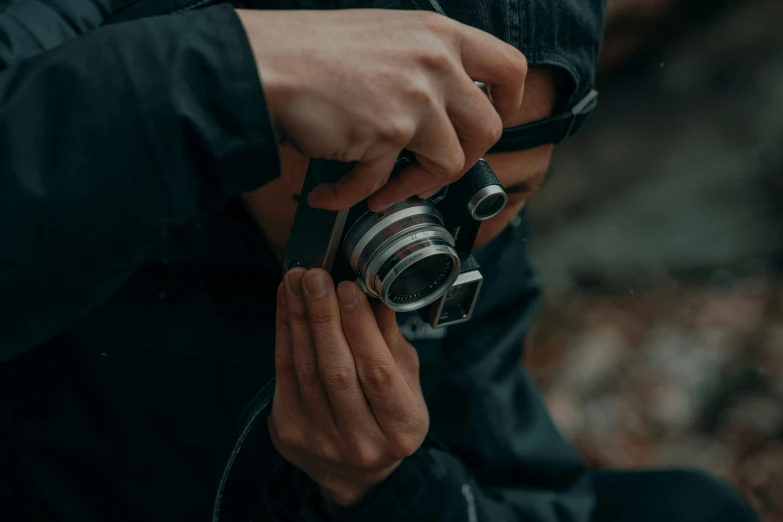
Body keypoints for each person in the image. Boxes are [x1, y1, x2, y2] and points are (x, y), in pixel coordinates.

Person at [0, 1, 759, 522]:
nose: (441, 240)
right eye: (397, 175)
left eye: (501, 198)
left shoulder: (464, 244)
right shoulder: (102, 40)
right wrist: (225, 78)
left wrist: (383, 488)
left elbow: (524, 493)